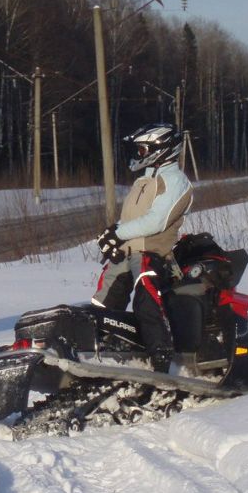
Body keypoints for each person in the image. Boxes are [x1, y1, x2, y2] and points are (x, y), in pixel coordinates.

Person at [92, 122, 193, 372]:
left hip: (152, 252)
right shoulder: (145, 180)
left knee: (146, 298)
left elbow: (156, 221)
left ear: (161, 149)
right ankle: (99, 346)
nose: (139, 155)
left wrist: (119, 233)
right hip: (129, 251)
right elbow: (131, 219)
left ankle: (160, 355)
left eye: (142, 150)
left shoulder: (175, 181)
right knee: (104, 300)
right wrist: (111, 234)